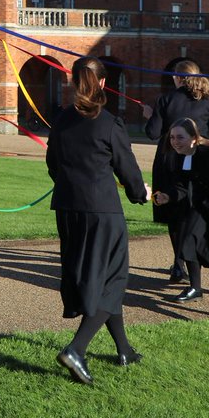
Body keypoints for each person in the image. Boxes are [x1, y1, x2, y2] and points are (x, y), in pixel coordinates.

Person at [48, 57, 149, 385]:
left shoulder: (61, 121)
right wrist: (140, 193)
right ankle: (77, 348)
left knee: (97, 277)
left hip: (67, 207)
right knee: (114, 279)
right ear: (104, 84)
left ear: (75, 82)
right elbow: (128, 169)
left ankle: (124, 349)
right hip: (101, 210)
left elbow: (53, 165)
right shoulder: (109, 123)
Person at [142, 60, 209, 284]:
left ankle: (179, 264)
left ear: (177, 78)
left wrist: (150, 115)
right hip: (197, 160)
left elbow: (152, 133)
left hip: (168, 159)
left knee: (173, 213)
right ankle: (190, 261)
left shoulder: (165, 99)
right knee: (193, 210)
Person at [151, 118, 209, 303]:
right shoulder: (177, 156)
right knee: (187, 238)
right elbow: (181, 187)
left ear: (194, 137)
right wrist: (168, 196)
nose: (175, 142)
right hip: (199, 205)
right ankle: (195, 288)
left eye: (180, 137)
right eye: (172, 137)